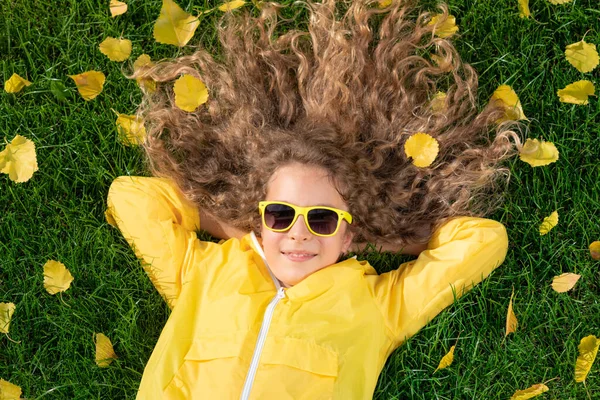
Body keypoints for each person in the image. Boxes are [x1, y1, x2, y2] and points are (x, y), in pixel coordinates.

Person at [107, 0, 522, 398]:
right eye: (282, 214)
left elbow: (483, 242)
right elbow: (132, 197)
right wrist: (243, 230)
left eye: (322, 219)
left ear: (347, 230)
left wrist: (367, 239)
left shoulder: (374, 308)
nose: (299, 233)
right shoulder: (205, 273)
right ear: (262, 216)